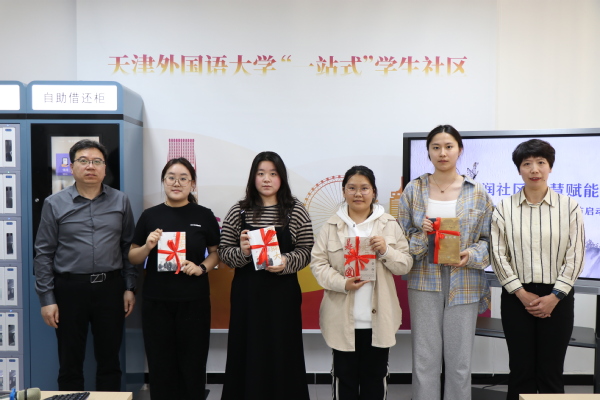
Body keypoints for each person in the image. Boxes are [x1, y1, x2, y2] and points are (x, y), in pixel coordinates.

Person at [397, 125, 493, 400]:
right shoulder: (414, 189)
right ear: (428, 151)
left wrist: (470, 255)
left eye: (449, 146)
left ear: (459, 150)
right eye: (436, 147)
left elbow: (489, 240)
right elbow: (400, 238)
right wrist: (422, 236)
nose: (442, 153)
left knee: (460, 360)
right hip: (424, 279)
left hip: (465, 281)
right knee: (424, 358)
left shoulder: (477, 192)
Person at [34, 139, 137, 391]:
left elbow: (128, 248)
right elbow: (43, 253)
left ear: (104, 167)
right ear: (71, 167)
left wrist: (129, 287)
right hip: (69, 290)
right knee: (70, 363)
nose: (90, 166)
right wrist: (47, 299)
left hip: (110, 289)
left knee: (110, 361)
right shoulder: (54, 203)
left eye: (96, 161)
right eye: (83, 161)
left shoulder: (120, 201)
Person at [491, 139, 585, 399]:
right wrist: (521, 293)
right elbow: (497, 255)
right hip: (516, 297)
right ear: (519, 169)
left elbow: (576, 255)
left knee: (551, 372)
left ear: (550, 167)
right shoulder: (504, 208)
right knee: (520, 370)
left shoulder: (569, 207)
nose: (534, 169)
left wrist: (555, 296)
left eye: (541, 162)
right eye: (527, 163)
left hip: (558, 298)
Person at [310, 165, 412, 400]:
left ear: (374, 192)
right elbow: (318, 265)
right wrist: (343, 283)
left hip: (379, 320)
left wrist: (386, 250)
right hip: (341, 320)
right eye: (352, 188)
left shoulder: (389, 224)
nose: (358, 194)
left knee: (375, 382)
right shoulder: (331, 226)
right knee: (344, 381)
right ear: (343, 191)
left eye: (364, 188)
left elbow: (405, 265)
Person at [218, 151, 313, 400]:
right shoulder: (239, 211)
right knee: (246, 350)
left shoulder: (295, 210)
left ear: (282, 178)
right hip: (247, 296)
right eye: (261, 173)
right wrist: (243, 252)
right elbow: (224, 252)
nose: (267, 179)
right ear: (253, 177)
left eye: (273, 173)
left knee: (284, 350)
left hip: (283, 295)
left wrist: (286, 262)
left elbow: (307, 251)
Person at [128, 157, 220, 399]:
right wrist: (148, 246)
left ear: (192, 184)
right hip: (157, 301)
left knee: (193, 364)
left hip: (194, 301)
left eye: (183, 178)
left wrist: (201, 268)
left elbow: (216, 253)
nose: (176, 183)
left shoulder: (204, 215)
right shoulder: (150, 215)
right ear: (163, 181)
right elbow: (133, 256)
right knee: (160, 364)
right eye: (171, 177)